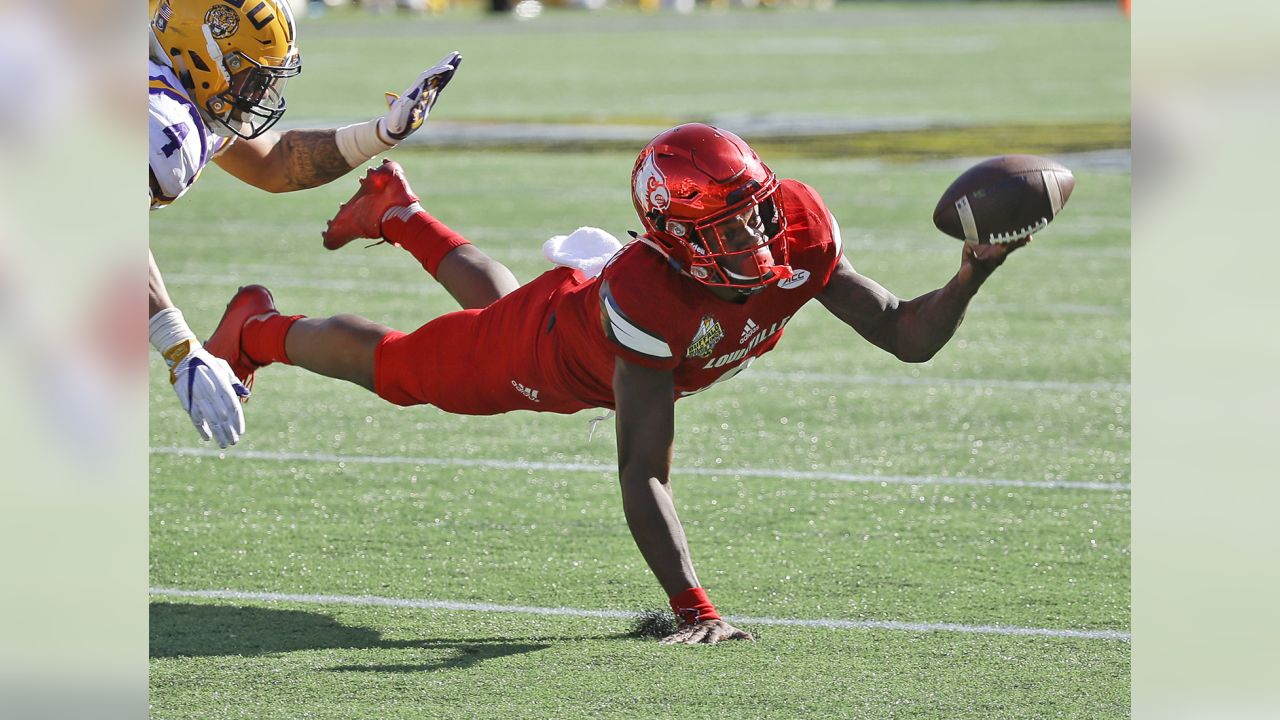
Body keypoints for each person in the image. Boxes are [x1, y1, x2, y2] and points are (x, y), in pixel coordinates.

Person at [203, 123, 1029, 643]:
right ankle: (257, 329)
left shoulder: (799, 232)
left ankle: (397, 212)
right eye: (727, 223)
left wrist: (972, 271)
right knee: (409, 370)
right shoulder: (650, 292)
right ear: (674, 238)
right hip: (550, 353)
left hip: (592, 322)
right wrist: (694, 607)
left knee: (495, 304)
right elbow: (643, 470)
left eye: (756, 208)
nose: (756, 231)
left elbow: (904, 334)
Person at [148, 0, 460, 448]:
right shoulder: (157, 116)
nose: (257, 94)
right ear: (199, 53)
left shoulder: (175, 86)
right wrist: (178, 346)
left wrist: (381, 133)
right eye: (251, 76)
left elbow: (277, 164)